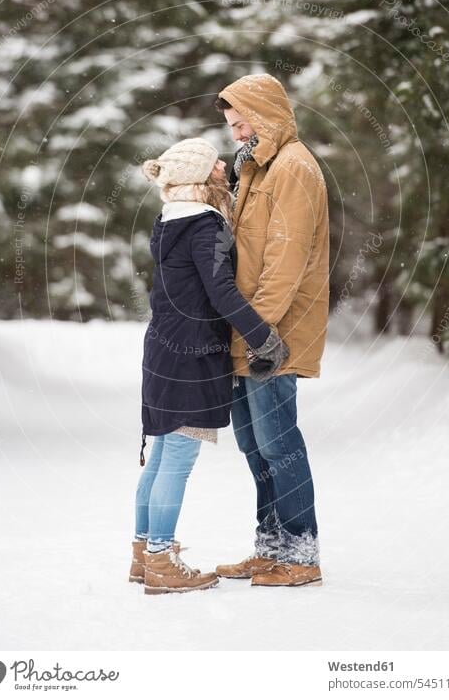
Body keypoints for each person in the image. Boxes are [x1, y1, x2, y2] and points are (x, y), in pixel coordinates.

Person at [129, 137, 288, 595]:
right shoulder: (205, 224)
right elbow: (222, 292)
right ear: (202, 177)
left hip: (161, 350)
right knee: (176, 458)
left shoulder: (169, 219)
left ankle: (143, 554)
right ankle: (160, 559)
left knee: (159, 456)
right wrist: (262, 336)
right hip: (192, 355)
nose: (224, 166)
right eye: (215, 164)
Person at [213, 73, 329, 587]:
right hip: (248, 328)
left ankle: (301, 555)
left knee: (279, 445)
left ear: (266, 114)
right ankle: (271, 546)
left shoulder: (294, 168)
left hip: (272, 332)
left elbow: (285, 259)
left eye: (242, 123)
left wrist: (258, 331)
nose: (236, 134)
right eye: (231, 126)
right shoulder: (259, 170)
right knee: (254, 447)